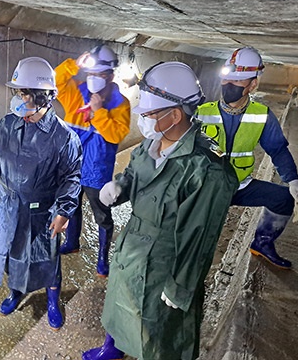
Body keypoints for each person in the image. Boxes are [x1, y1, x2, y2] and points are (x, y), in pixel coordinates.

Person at [82, 61, 239, 360]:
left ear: (175, 114)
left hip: (166, 263)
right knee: (120, 304)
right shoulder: (149, 145)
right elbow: (134, 175)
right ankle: (112, 348)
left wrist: (180, 286)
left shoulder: (205, 169)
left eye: (150, 112)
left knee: (159, 334)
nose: (143, 116)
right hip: (132, 247)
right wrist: (120, 186)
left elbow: (199, 238)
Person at [0, 57, 82, 331]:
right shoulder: (8, 124)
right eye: (17, 92)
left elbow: (71, 178)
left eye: (23, 93)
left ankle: (52, 300)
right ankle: (15, 292)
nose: (18, 98)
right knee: (12, 253)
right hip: (8, 205)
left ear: (41, 97)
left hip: (42, 210)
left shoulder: (63, 137)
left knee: (46, 259)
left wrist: (63, 211)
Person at [196, 46, 298, 269]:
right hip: (205, 188)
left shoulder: (261, 115)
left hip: (240, 186)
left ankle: (263, 243)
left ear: (253, 84)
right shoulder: (202, 112)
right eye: (226, 80)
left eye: (237, 82)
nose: (229, 86)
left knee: (283, 198)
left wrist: (293, 182)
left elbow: (278, 150)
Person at [54, 44, 131, 277]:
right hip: (72, 165)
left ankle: (102, 258)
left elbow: (115, 135)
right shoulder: (76, 94)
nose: (93, 78)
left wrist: (98, 112)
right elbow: (55, 82)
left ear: (110, 75)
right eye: (90, 74)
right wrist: (73, 65)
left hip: (97, 170)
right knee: (72, 206)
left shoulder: (120, 103)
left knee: (102, 215)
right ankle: (71, 242)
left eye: (98, 74)